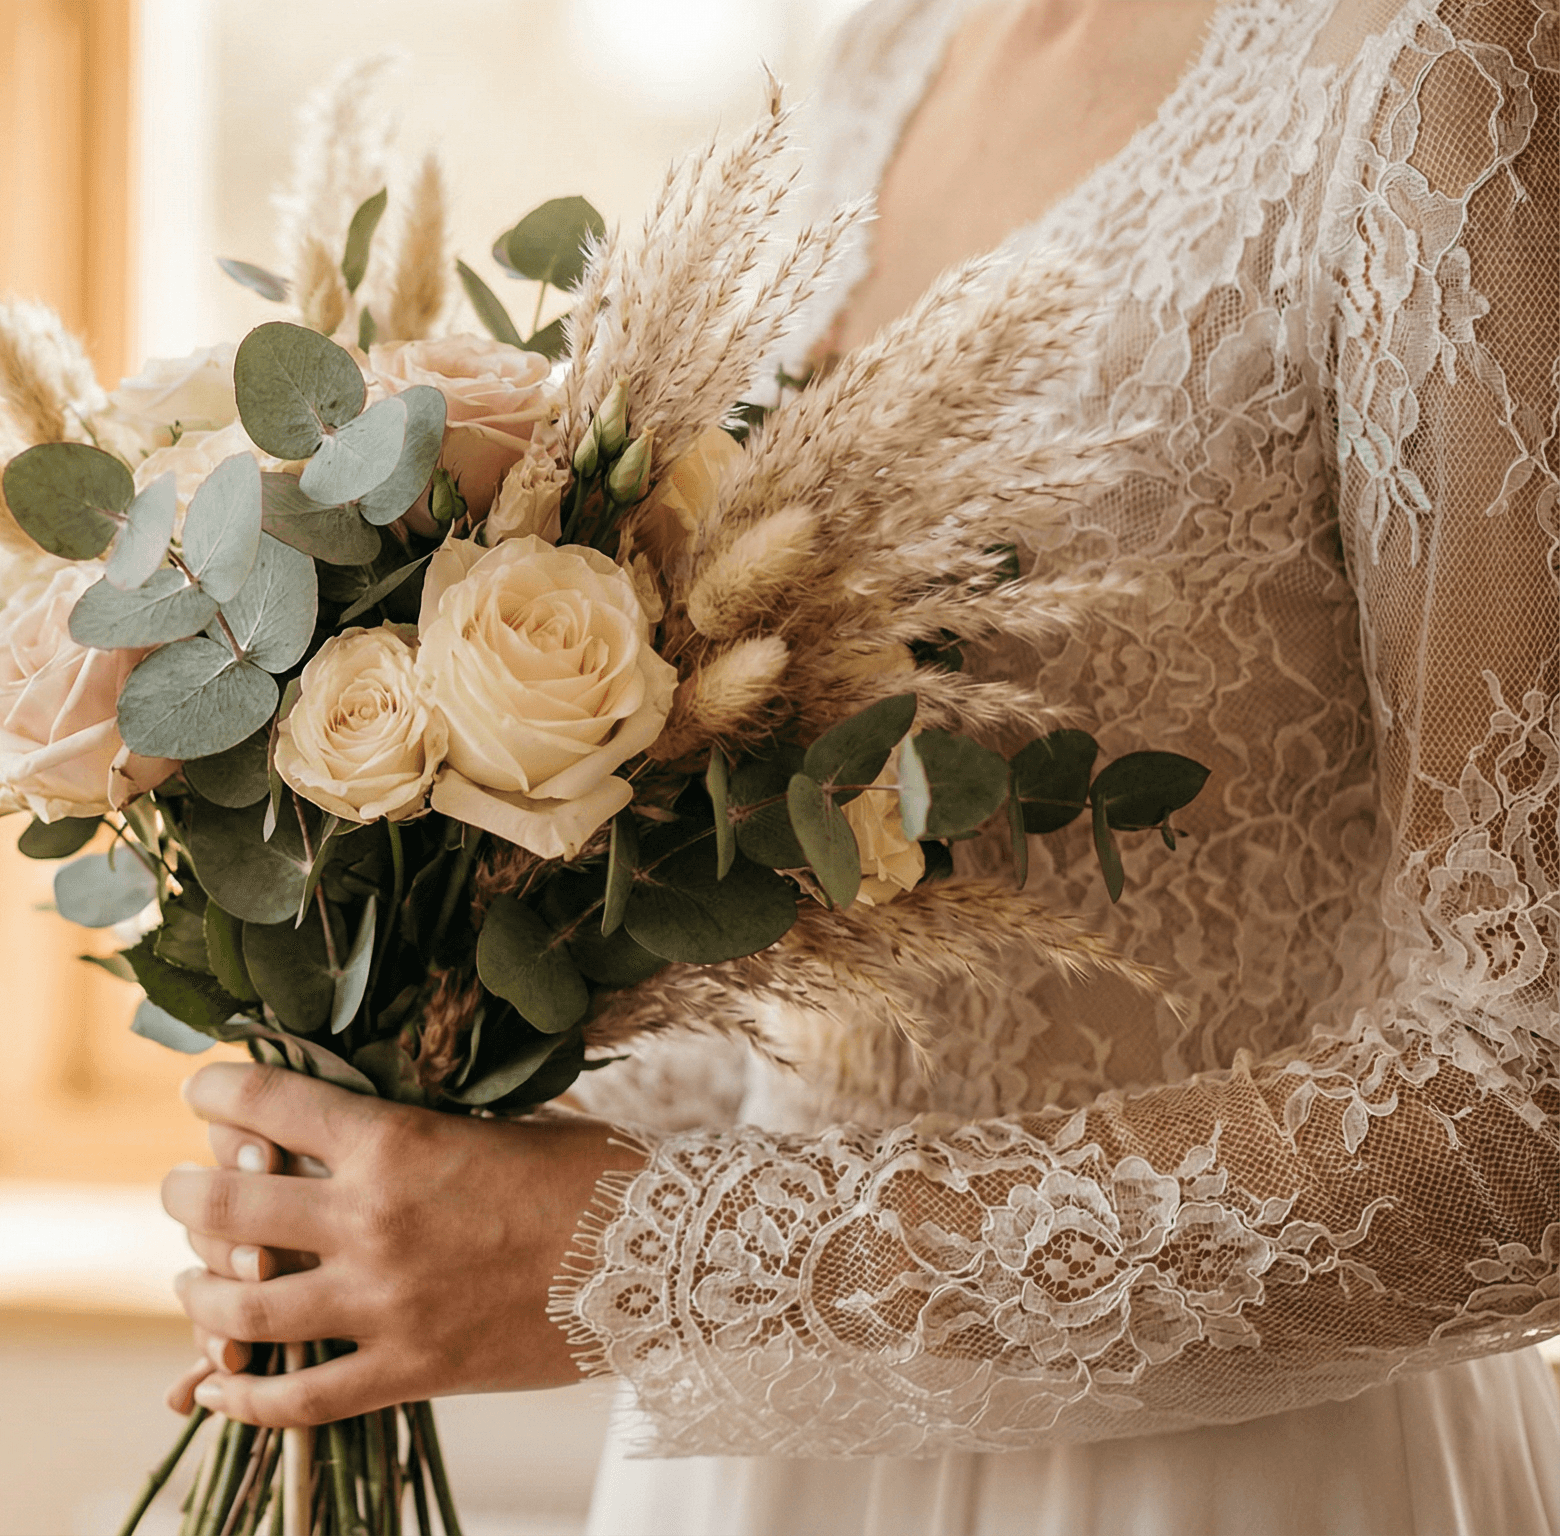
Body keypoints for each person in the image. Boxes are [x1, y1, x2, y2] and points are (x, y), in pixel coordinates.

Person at [159, 0, 1560, 1529]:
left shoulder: (1441, 81)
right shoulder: (881, 59)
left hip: (1221, 1470)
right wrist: (431, 1133)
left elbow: (1527, 1087)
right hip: (769, 1469)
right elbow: (829, 973)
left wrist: (641, 1258)